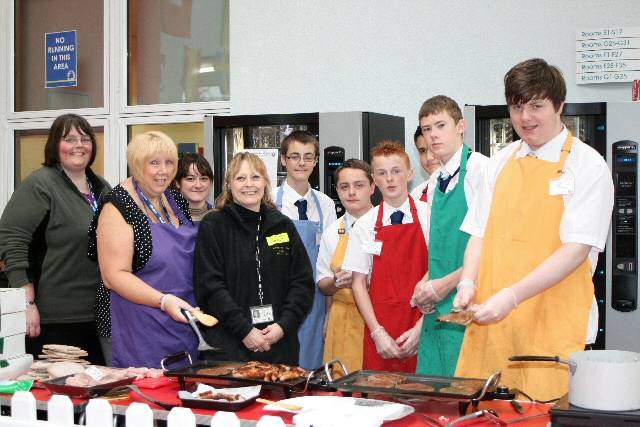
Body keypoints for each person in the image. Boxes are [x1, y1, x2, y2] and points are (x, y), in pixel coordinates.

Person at [454, 58, 614, 400]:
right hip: (494, 325)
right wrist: (468, 282)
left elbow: (576, 251)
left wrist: (512, 296)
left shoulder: (587, 166)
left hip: (552, 325)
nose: (526, 118)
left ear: (560, 106)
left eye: (537, 106)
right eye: (517, 106)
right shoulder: (500, 162)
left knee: (544, 412)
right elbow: (479, 232)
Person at [0, 113, 110, 364]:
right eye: (69, 139)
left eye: (85, 138)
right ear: (54, 145)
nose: (78, 145)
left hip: (97, 315)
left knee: (94, 395)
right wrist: (26, 304)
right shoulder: (40, 185)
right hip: (54, 318)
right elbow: (12, 240)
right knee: (59, 398)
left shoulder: (101, 187)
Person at [90, 131, 198, 368]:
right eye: (154, 163)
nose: (164, 171)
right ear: (138, 166)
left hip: (180, 322)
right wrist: (163, 300)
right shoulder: (117, 205)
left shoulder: (174, 199)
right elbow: (113, 276)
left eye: (169, 162)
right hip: (134, 326)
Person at [194, 152, 314, 364]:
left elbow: (302, 284)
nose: (249, 184)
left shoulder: (283, 225)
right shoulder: (214, 225)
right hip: (229, 348)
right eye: (240, 178)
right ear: (229, 185)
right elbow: (210, 288)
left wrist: (283, 326)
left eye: (256, 177)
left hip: (279, 347)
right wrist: (244, 330)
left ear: (266, 182)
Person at [411, 95, 488, 376]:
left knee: (467, 393)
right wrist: (425, 287)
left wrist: (443, 285)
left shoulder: (482, 171)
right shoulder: (434, 183)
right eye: (427, 129)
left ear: (461, 127)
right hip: (437, 307)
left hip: (470, 303)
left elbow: (490, 246)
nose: (433, 135)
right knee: (432, 395)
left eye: (440, 125)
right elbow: (437, 248)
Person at [343, 141, 429, 372]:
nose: (389, 179)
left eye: (396, 171)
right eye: (382, 173)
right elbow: (358, 283)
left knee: (425, 400)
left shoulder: (429, 216)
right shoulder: (365, 225)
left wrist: (423, 329)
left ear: (410, 174)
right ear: (374, 179)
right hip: (380, 331)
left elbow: (440, 272)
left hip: (424, 326)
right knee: (379, 400)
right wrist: (377, 333)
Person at [274, 130, 337, 369]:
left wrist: (329, 312)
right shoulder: (268, 202)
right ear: (283, 160)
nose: (302, 163)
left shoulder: (326, 204)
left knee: (311, 370)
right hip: (279, 298)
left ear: (316, 161)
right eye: (295, 156)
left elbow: (330, 260)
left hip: (316, 302)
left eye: (308, 157)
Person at [316, 159, 375, 372]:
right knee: (342, 389)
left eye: (359, 185)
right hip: (342, 321)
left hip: (377, 320)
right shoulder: (332, 232)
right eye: (344, 187)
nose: (351, 192)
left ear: (372, 187)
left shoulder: (386, 225)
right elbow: (323, 284)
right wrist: (336, 282)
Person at [173, 153, 214, 221]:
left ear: (211, 183)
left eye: (203, 179)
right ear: (177, 183)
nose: (198, 185)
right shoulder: (166, 219)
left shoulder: (220, 218)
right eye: (190, 179)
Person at [410, 125, 441, 205]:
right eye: (422, 151)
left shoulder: (469, 185)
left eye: (434, 147)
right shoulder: (416, 196)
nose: (429, 157)